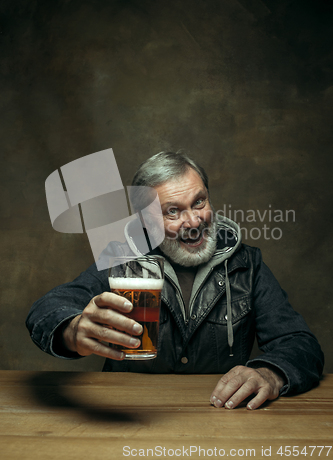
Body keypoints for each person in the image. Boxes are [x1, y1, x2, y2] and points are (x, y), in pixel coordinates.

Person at [26, 151, 324, 410]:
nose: (194, 222)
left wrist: (271, 374)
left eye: (199, 202)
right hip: (132, 415)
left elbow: (300, 344)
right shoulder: (121, 260)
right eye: (172, 211)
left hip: (223, 416)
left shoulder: (247, 264)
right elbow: (47, 308)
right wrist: (73, 328)